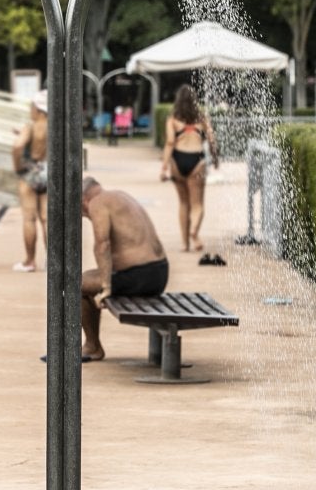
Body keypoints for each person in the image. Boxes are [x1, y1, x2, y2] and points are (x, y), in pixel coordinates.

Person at [79, 176, 168, 361]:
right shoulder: (120, 196)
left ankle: (92, 346)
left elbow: (102, 244)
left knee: (75, 284)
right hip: (159, 272)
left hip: (139, 275)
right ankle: (92, 345)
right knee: (87, 278)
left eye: (83, 213)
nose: (87, 216)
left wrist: (106, 286)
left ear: (84, 200)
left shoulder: (97, 203)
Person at [160, 84, 219, 254]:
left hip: (177, 161)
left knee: (183, 203)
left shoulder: (172, 119)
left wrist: (164, 167)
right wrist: (215, 159)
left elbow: (170, 142)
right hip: (197, 161)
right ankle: (194, 231)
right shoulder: (202, 118)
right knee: (197, 204)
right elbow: (212, 140)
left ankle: (185, 244)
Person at [10, 90, 49, 272]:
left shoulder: (31, 126)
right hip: (50, 172)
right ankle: (53, 261)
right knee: (47, 219)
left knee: (29, 219)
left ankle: (30, 261)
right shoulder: (57, 126)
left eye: (32, 107)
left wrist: (18, 167)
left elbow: (18, 146)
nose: (30, 110)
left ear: (40, 110)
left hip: (31, 172)